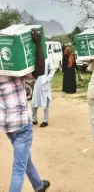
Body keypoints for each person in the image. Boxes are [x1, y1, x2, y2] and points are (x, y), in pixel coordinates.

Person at [0, 29, 50, 192]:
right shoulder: (14, 70)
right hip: (21, 124)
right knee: (19, 167)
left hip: (7, 124)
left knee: (24, 158)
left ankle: (38, 186)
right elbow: (40, 71)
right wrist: (38, 44)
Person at [32, 57, 55, 128]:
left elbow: (52, 70)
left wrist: (47, 79)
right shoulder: (34, 57)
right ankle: (34, 119)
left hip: (44, 82)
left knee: (45, 103)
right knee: (34, 103)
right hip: (36, 82)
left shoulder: (48, 58)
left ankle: (45, 121)